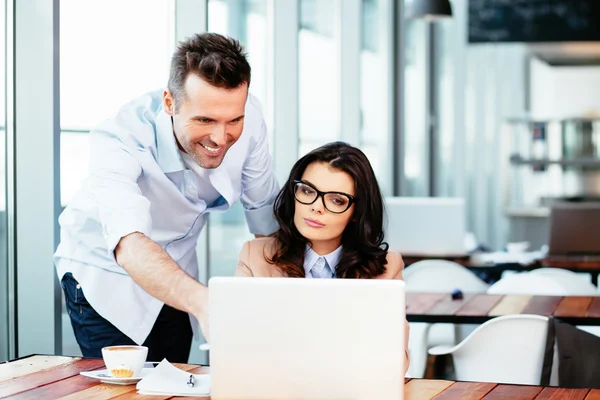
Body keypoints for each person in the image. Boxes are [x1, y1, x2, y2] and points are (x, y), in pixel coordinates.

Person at [54, 33, 280, 362]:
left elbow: (264, 214)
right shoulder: (119, 137)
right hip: (107, 272)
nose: (221, 137)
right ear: (170, 103)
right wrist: (206, 303)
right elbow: (128, 243)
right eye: (205, 120)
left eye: (234, 120)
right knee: (126, 390)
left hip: (179, 270)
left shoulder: (252, 117)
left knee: (174, 382)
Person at [236, 141, 409, 371]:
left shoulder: (387, 268)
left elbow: (395, 361)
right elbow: (239, 350)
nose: (316, 207)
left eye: (337, 199)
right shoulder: (254, 256)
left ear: (356, 213)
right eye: (307, 190)